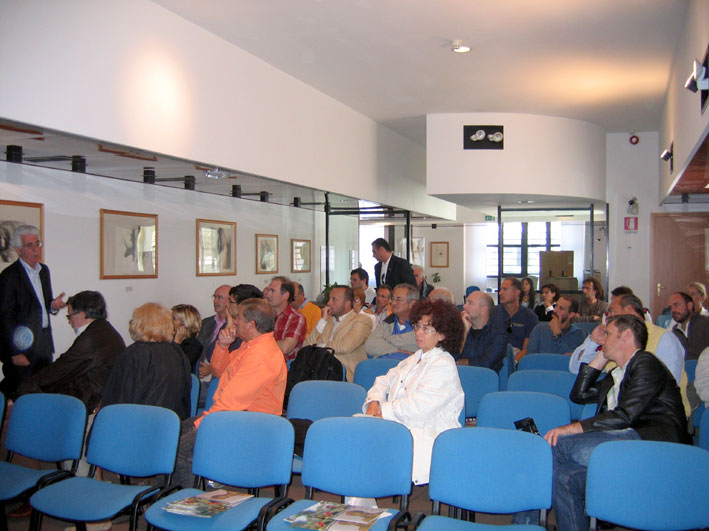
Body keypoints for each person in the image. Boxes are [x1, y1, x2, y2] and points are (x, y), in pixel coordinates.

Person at [544, 314, 689, 531]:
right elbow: (579, 395)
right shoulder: (617, 374)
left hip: (653, 447)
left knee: (554, 446)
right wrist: (602, 355)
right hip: (625, 446)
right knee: (563, 477)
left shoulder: (646, 362)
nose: (603, 338)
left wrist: (571, 428)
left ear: (627, 335)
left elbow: (624, 416)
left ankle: (524, 524)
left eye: (609, 334)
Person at [171, 298, 287, 488]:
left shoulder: (261, 356)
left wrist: (202, 424)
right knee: (177, 432)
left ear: (251, 325)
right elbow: (219, 371)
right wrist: (223, 346)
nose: (234, 322)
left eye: (237, 318)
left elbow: (232, 401)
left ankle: (187, 503)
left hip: (252, 423)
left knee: (182, 448)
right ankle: (168, 495)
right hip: (236, 415)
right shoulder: (250, 345)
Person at [363, 299, 465, 485]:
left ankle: (360, 501)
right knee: (355, 433)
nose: (418, 332)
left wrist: (381, 412)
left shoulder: (443, 364)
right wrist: (374, 402)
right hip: (397, 424)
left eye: (427, 329)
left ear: (442, 334)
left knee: (360, 443)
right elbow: (384, 380)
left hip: (426, 432)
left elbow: (418, 408)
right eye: (417, 326)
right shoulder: (415, 357)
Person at [17, 290, 125, 411]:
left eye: (69, 315)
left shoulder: (91, 339)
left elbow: (60, 369)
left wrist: (21, 392)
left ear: (81, 315)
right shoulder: (105, 330)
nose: (69, 321)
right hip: (101, 395)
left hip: (90, 402)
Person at [0, 225, 66, 398]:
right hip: (22, 347)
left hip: (43, 342)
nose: (36, 249)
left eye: (37, 244)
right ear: (18, 250)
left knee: (42, 391)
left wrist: (53, 306)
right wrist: (14, 352)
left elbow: (43, 304)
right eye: (30, 245)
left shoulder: (44, 271)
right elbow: (5, 318)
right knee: (20, 395)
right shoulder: (9, 277)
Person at [101, 302, 191, 419]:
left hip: (137, 425)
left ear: (138, 324)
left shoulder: (134, 354)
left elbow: (120, 400)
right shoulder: (178, 352)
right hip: (170, 425)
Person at [304, 285, 373, 381]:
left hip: (345, 377)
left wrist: (319, 347)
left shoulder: (362, 320)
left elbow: (345, 346)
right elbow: (306, 345)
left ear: (347, 304)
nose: (328, 303)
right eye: (329, 299)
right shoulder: (327, 321)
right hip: (320, 373)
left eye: (334, 300)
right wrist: (323, 320)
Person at [456, 291, 508, 372]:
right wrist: (464, 332)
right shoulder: (459, 330)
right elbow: (450, 356)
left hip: (484, 381)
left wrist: (460, 362)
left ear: (483, 310)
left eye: (470, 303)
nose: (464, 306)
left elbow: (485, 364)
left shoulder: (498, 335)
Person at [365, 284, 419, 360]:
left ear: (412, 304)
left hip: (408, 367)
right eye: (392, 299)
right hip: (382, 363)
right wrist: (397, 350)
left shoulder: (422, 324)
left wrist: (386, 340)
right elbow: (369, 346)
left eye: (398, 299)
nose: (393, 303)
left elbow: (417, 343)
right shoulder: (388, 322)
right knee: (362, 367)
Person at [490, 278, 538, 361]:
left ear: (517, 292)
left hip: (517, 356)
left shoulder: (530, 316)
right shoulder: (492, 313)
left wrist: (514, 363)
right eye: (500, 289)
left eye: (505, 289)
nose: (500, 293)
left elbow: (527, 348)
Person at [263, 276, 307, 362]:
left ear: (285, 295)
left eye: (272, 291)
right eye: (268, 290)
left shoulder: (296, 318)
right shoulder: (263, 314)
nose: (268, 295)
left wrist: (260, 342)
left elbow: (286, 348)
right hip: (264, 363)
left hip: (286, 367)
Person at [195, 284, 231, 380]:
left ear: (230, 301)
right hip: (201, 370)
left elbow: (234, 355)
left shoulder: (233, 326)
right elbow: (198, 347)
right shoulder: (206, 322)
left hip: (220, 374)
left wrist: (212, 368)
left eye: (220, 298)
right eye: (214, 297)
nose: (215, 301)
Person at [669, 291, 709, 360]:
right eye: (670, 307)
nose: (673, 310)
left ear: (689, 305)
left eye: (676, 305)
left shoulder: (705, 323)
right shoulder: (675, 331)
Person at [171, 304, 202, 372]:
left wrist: (176, 343)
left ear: (184, 324)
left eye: (174, 318)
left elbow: (179, 366)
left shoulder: (194, 346)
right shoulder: (169, 339)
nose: (170, 321)